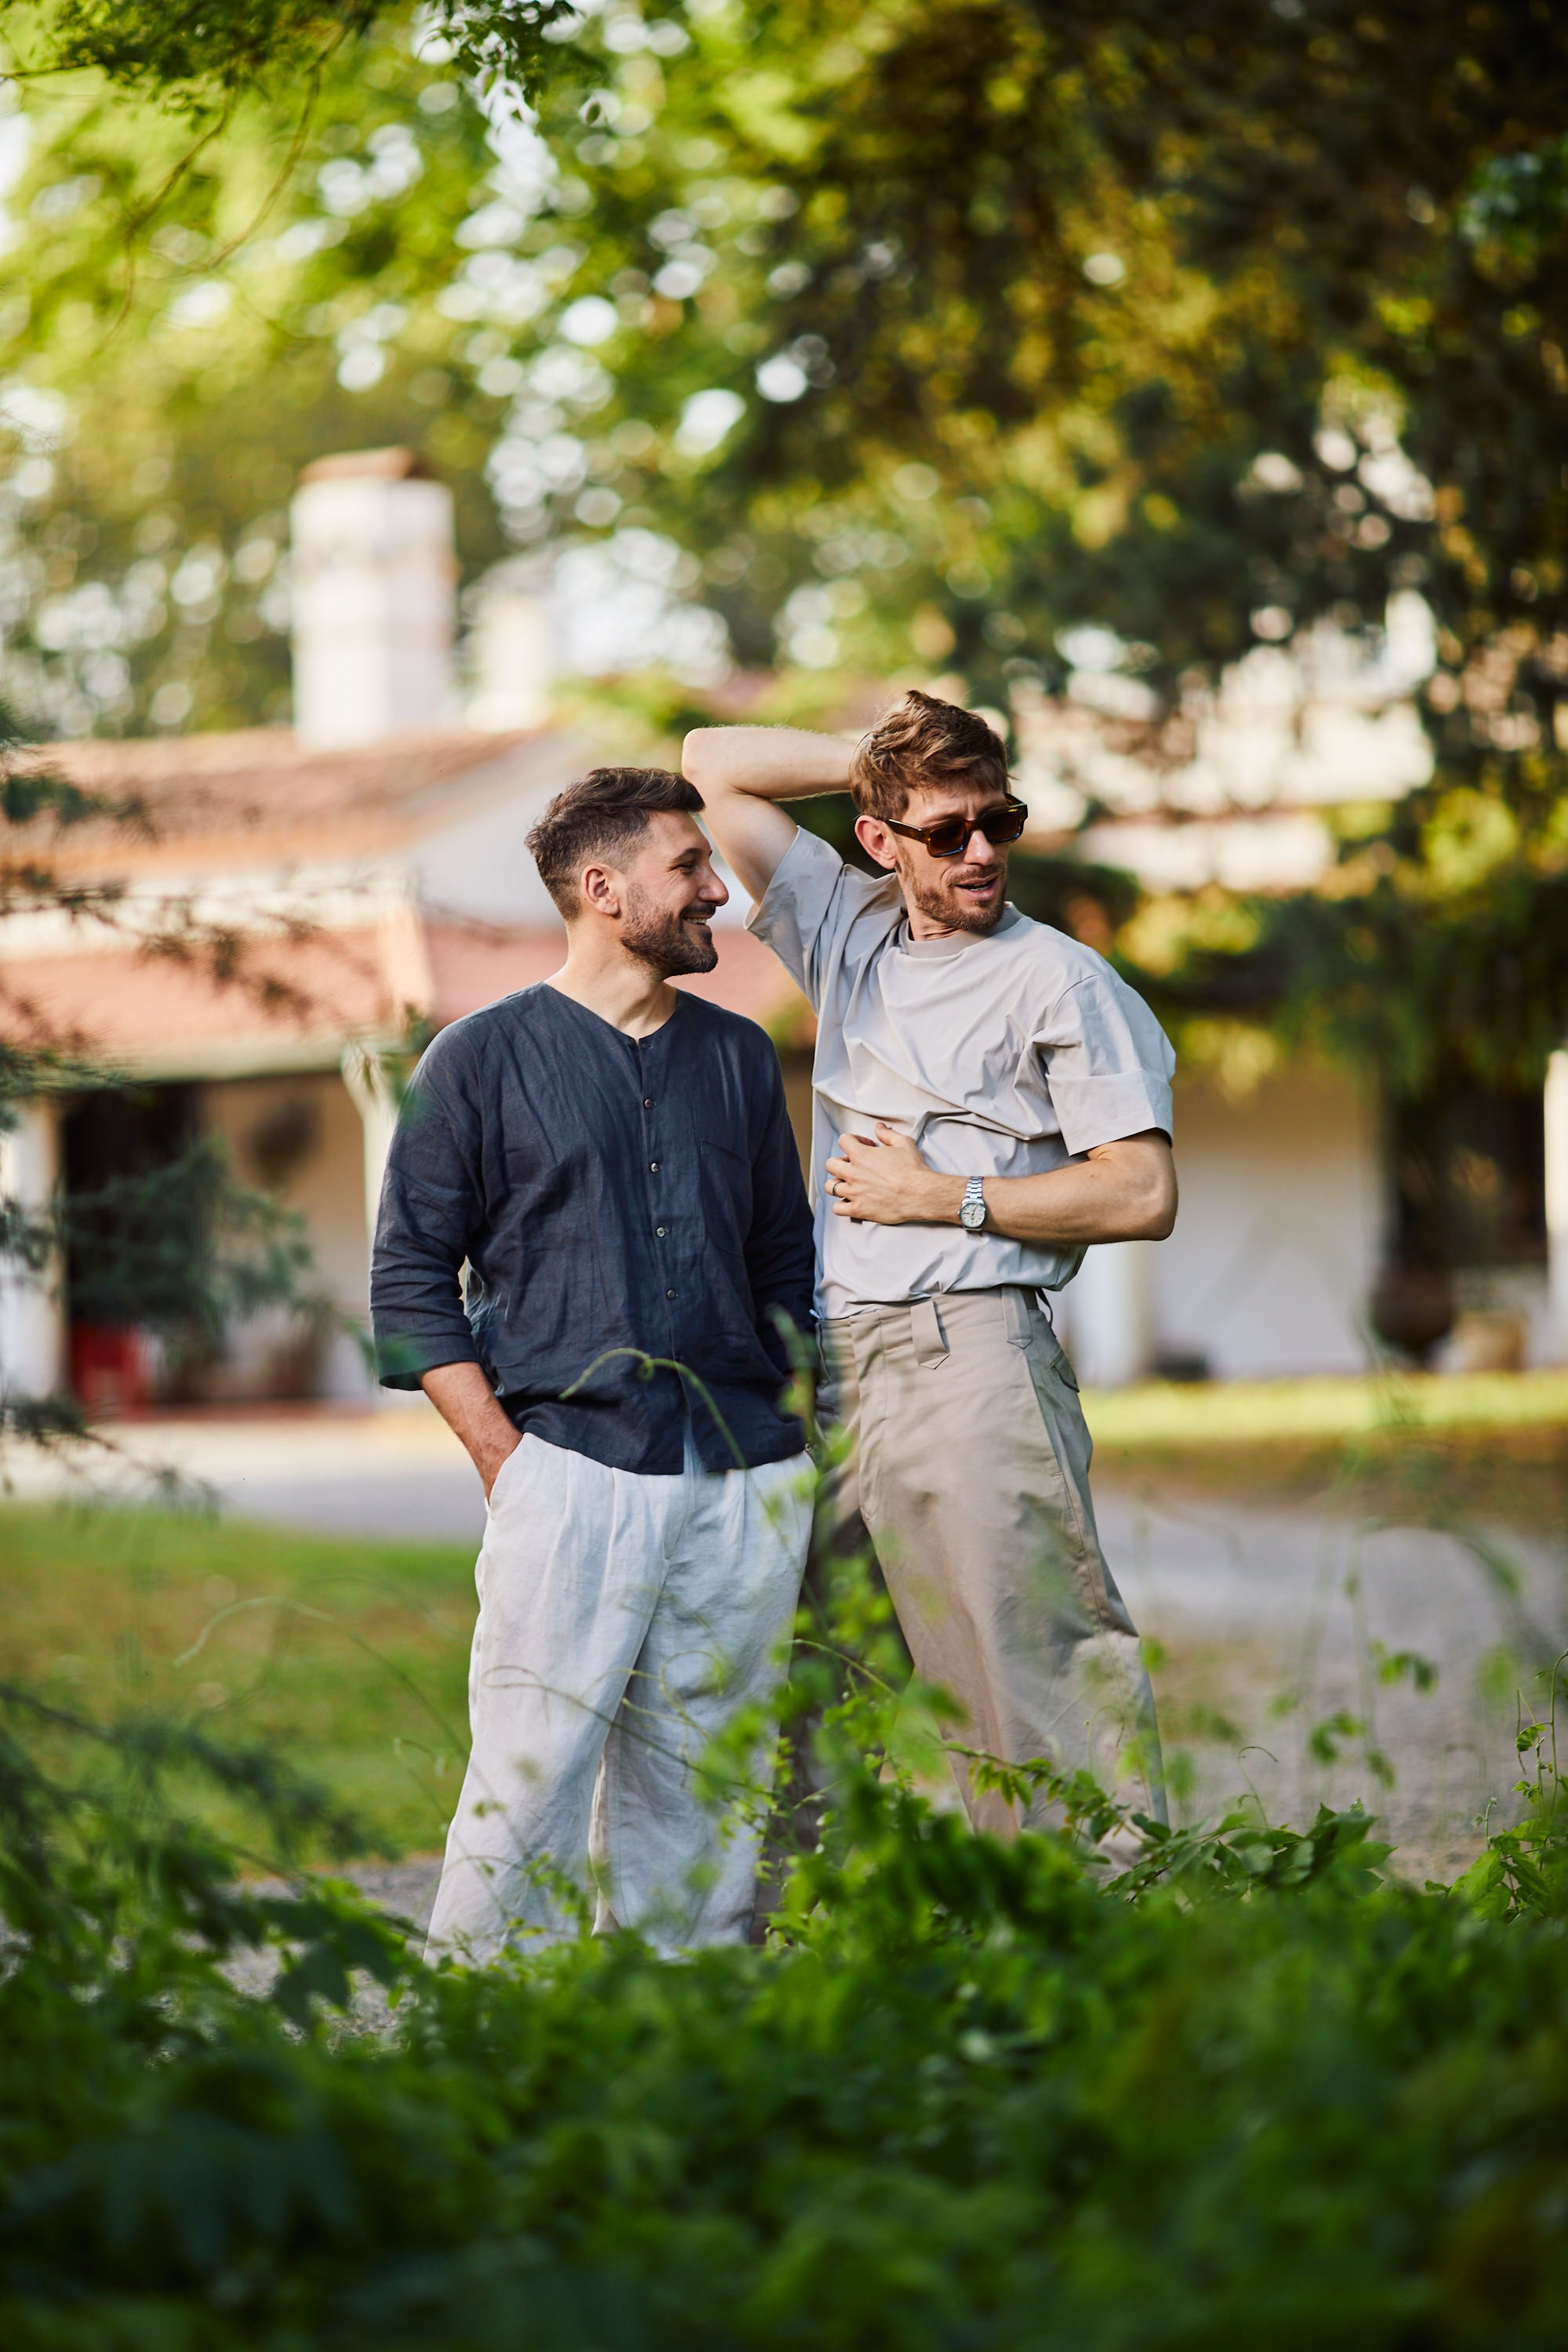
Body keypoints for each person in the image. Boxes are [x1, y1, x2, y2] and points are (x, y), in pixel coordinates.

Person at [685, 691, 1176, 1838]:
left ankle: (1104, 1947)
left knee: (1028, 1672)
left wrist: (944, 1196)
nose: (982, 852)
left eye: (998, 821)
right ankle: (800, 1954)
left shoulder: (1059, 979)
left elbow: (1141, 1189)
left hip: (975, 1357)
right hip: (838, 1374)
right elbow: (712, 762)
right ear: (878, 839)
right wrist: (873, 758)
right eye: (946, 830)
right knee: (801, 1680)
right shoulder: (845, 928)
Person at [371, 766, 815, 1958]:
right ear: (604, 888)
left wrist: (790, 1441)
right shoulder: (472, 1060)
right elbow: (409, 1287)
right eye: (691, 867)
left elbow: (786, 1264)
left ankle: (683, 2025)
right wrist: (507, 1462)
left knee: (712, 1789)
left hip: (742, 1478)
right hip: (566, 1469)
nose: (720, 890)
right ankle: (481, 2037)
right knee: (530, 1782)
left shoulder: (736, 1056)